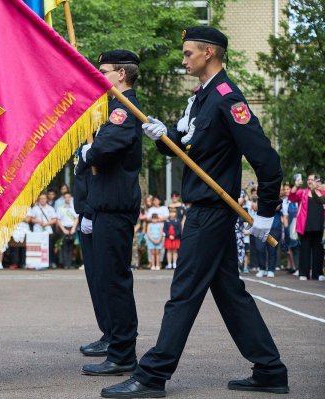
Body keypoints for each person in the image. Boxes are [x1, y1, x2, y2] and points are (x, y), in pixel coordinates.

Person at [102, 27, 289, 398]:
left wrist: (266, 211)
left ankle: (153, 374)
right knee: (230, 294)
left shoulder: (226, 98)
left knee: (184, 291)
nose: (183, 59)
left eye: (188, 53)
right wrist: (164, 135)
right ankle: (270, 370)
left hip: (212, 211)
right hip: (204, 208)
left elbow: (268, 161)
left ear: (209, 52)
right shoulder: (202, 99)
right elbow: (193, 149)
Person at [79, 49, 142, 377]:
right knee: (108, 279)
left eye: (104, 71)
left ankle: (122, 353)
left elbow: (105, 150)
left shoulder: (123, 109)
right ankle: (118, 345)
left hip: (115, 208)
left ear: (121, 74)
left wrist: (89, 151)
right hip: (108, 207)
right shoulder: (115, 107)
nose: (98, 76)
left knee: (115, 281)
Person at [74, 142, 110, 357]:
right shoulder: (83, 139)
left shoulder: (97, 137)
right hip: (87, 213)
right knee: (95, 279)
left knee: (104, 278)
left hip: (96, 212)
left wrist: (89, 210)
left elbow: (99, 177)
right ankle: (108, 332)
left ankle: (114, 335)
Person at [288, 174, 325, 281]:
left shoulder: (322, 193)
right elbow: (292, 196)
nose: (309, 181)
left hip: (319, 226)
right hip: (305, 226)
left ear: (317, 181)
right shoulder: (303, 192)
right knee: (305, 250)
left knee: (318, 251)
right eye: (308, 179)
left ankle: (317, 274)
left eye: (312, 179)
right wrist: (295, 185)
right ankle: (303, 273)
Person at [56, 192, 78, 269]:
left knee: (72, 247)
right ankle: (65, 264)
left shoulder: (74, 208)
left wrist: (73, 228)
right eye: (66, 197)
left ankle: (70, 263)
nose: (67, 198)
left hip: (72, 228)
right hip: (64, 228)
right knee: (64, 247)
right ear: (64, 198)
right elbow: (58, 220)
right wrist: (64, 230)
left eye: (69, 197)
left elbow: (76, 218)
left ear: (71, 198)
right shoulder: (60, 208)